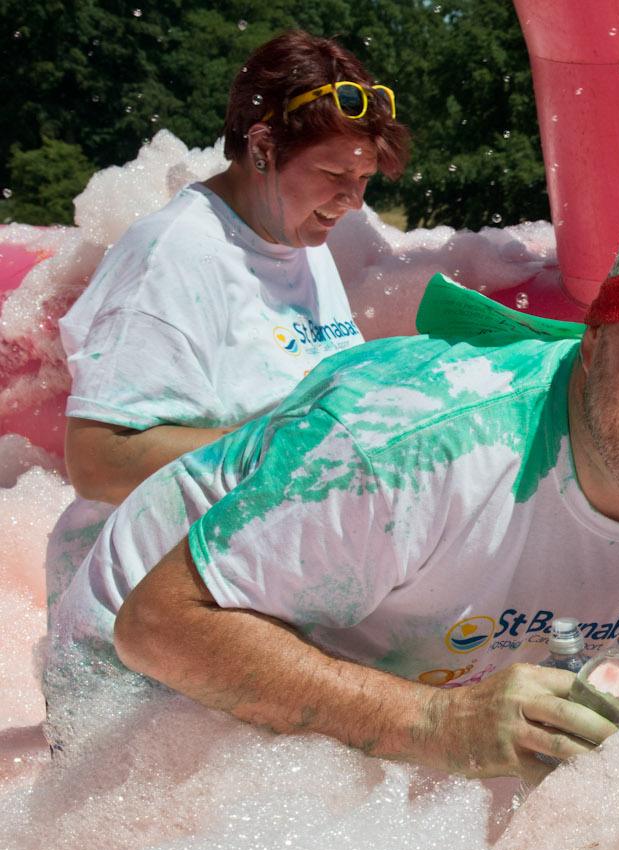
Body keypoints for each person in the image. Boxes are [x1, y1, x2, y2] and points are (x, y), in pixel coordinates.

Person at [45, 201, 619, 784]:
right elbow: (161, 626)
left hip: (385, 670)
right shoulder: (412, 442)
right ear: (596, 340)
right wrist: (434, 722)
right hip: (142, 671)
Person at [46, 30, 409, 601]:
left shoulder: (303, 243)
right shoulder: (172, 255)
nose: (355, 202)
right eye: (336, 177)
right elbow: (96, 461)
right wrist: (293, 442)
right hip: (140, 613)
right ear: (262, 149)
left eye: (362, 181)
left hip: (240, 592)